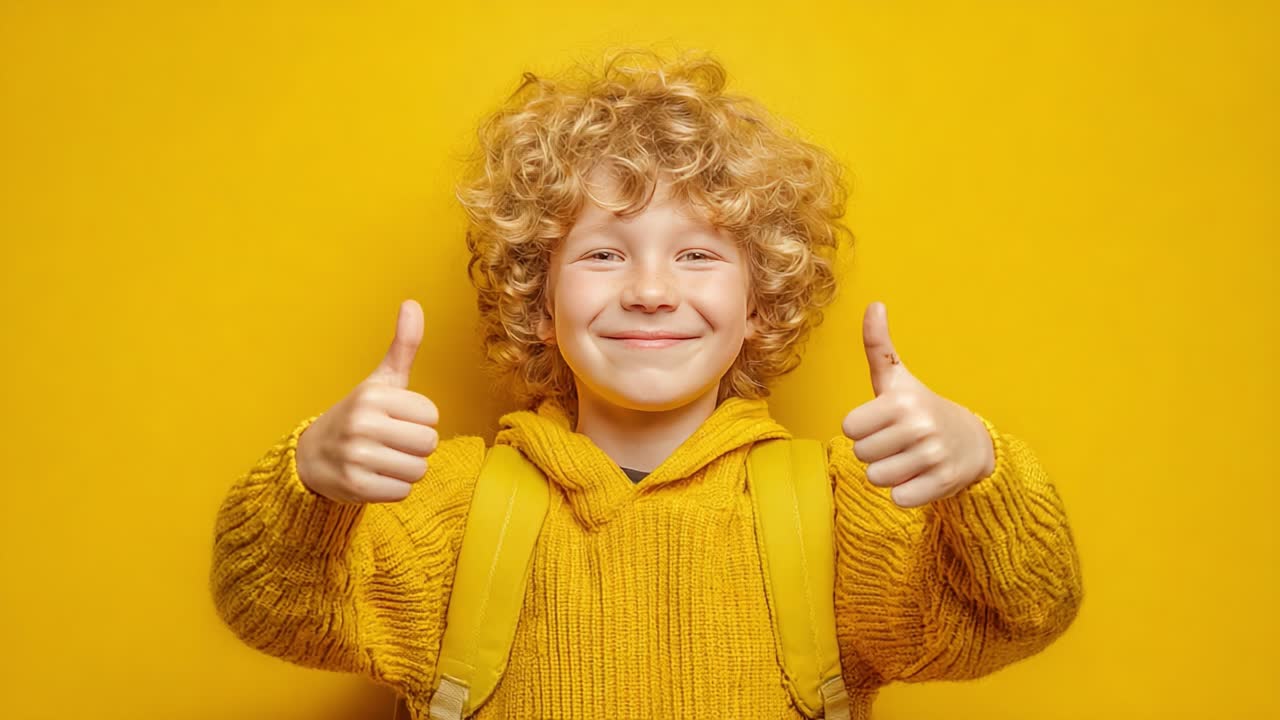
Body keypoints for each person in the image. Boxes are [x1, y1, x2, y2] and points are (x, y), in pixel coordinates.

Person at [210, 47, 1083, 720]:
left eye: (699, 254)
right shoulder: (443, 509)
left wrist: (981, 471)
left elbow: (1019, 614)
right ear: (539, 303)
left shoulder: (843, 511)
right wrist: (312, 480)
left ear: (760, 306)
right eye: (602, 253)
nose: (652, 288)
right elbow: (271, 606)